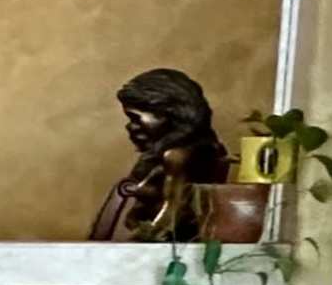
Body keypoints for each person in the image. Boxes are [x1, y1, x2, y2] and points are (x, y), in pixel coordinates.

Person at [88, 66, 234, 240]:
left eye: (135, 118)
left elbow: (170, 219)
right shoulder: (207, 150)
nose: (131, 127)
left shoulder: (177, 157)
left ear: (168, 114)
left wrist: (140, 244)